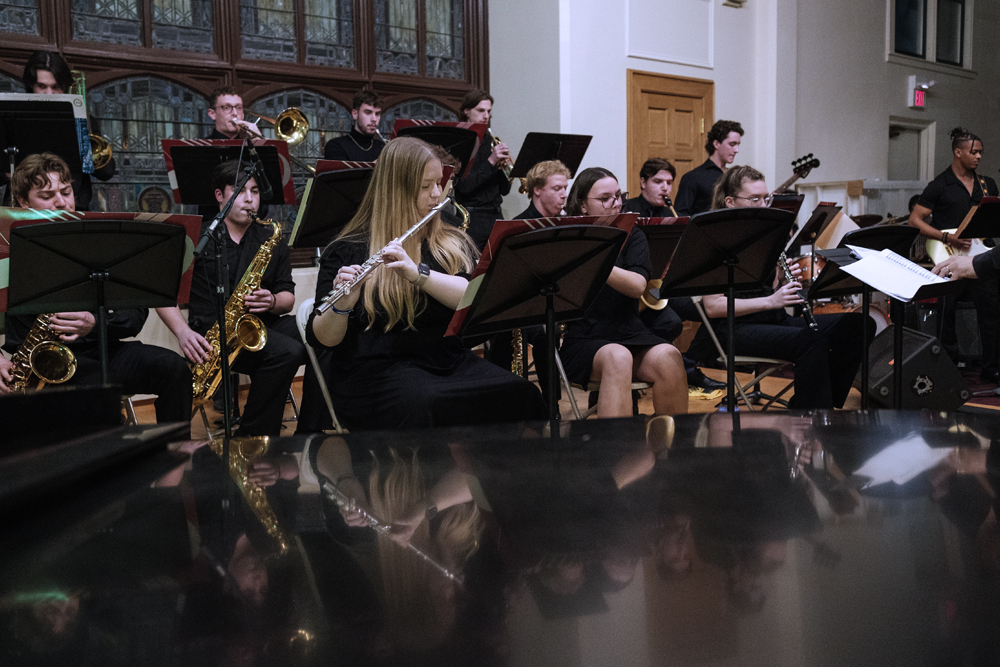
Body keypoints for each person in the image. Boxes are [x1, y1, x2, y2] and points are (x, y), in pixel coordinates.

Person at [308, 137, 546, 430]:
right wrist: (342, 306)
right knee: (427, 403)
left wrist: (418, 274)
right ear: (396, 190)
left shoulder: (450, 241)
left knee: (522, 393)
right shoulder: (347, 248)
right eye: (425, 186)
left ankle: (495, 476)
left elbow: (472, 297)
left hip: (448, 361)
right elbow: (323, 339)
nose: (437, 194)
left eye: (438, 183)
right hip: (376, 371)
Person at [0, 153, 192, 430]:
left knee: (173, 368)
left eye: (66, 192)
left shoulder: (97, 236)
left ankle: (174, 458)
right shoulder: (5, 245)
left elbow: (135, 312)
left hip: (101, 348)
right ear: (22, 201)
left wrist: (94, 323)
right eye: (46, 195)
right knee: (95, 392)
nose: (61, 202)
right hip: (36, 361)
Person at [691, 165, 872, 409]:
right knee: (812, 339)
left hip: (771, 320)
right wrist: (771, 301)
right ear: (731, 202)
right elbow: (713, 307)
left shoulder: (767, 236)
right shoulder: (713, 240)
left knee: (859, 325)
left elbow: (768, 287)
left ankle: (822, 404)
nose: (764, 205)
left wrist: (783, 281)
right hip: (734, 329)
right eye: (754, 199)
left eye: (765, 198)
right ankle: (811, 414)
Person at [156, 159, 305, 436]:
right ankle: (253, 435)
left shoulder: (270, 237)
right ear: (219, 196)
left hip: (260, 325)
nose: (250, 199)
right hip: (213, 334)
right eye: (240, 190)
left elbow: (288, 297)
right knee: (287, 352)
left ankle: (310, 428)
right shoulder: (198, 238)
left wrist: (271, 300)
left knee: (314, 333)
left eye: (256, 191)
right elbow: (161, 293)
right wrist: (182, 332)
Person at [557, 167, 688, 418]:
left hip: (629, 331)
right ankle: (616, 453)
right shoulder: (568, 237)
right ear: (582, 205)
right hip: (585, 338)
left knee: (670, 356)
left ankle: (674, 450)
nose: (615, 204)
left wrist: (595, 260)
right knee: (618, 356)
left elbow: (637, 286)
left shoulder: (633, 235)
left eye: (618, 196)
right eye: (605, 199)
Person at [625, 158, 726, 394]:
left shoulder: (674, 215)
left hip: (664, 286)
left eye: (669, 183)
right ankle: (666, 367)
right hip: (637, 288)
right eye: (658, 181)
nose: (665, 188)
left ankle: (690, 363)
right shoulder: (627, 210)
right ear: (643, 182)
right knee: (671, 323)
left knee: (715, 309)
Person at [909, 127, 1000, 384]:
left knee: (991, 311)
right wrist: (946, 237)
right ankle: (947, 364)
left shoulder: (987, 183)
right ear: (958, 152)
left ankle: (991, 366)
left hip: (980, 256)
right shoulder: (939, 185)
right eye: (974, 151)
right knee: (946, 312)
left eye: (981, 152)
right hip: (949, 254)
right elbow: (915, 220)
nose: (979, 156)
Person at [18, 51, 116, 212]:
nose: (49, 94)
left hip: (74, 211)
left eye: (56, 87)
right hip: (23, 212)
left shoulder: (84, 119)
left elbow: (106, 172)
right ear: (31, 87)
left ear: (65, 87)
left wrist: (83, 140)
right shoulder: (13, 119)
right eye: (41, 86)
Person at [452, 89, 513, 250]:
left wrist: (506, 169)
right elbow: (463, 188)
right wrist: (491, 161)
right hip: (472, 218)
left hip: (495, 215)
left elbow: (504, 190)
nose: (486, 116)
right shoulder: (460, 142)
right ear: (466, 111)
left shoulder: (491, 141)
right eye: (480, 111)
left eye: (488, 111)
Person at [674, 119, 743, 217]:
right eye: (732, 144)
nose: (737, 150)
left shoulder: (733, 176)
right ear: (716, 144)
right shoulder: (693, 177)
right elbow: (681, 215)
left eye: (738, 145)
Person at [323, 89, 385, 161]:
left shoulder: (382, 148)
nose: (374, 119)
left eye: (377, 114)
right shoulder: (336, 146)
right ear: (355, 114)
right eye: (368, 112)